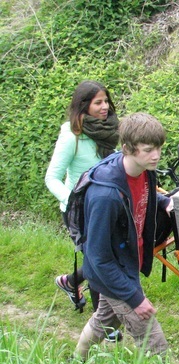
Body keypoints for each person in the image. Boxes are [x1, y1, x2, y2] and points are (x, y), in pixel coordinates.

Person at [74, 112, 172, 360]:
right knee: (152, 338)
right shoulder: (105, 197)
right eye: (149, 149)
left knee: (103, 322)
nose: (156, 155)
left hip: (128, 260)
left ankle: (76, 363)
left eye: (159, 147)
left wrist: (163, 201)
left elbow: (139, 195)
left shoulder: (144, 169)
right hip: (113, 271)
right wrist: (134, 298)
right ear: (127, 148)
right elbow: (98, 257)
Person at [45, 81, 120, 337]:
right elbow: (51, 178)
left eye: (106, 101)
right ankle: (105, 325)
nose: (104, 107)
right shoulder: (71, 138)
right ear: (83, 106)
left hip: (104, 205)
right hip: (79, 210)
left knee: (103, 257)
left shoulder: (109, 130)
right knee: (99, 261)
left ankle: (71, 281)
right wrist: (74, 200)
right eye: (98, 102)